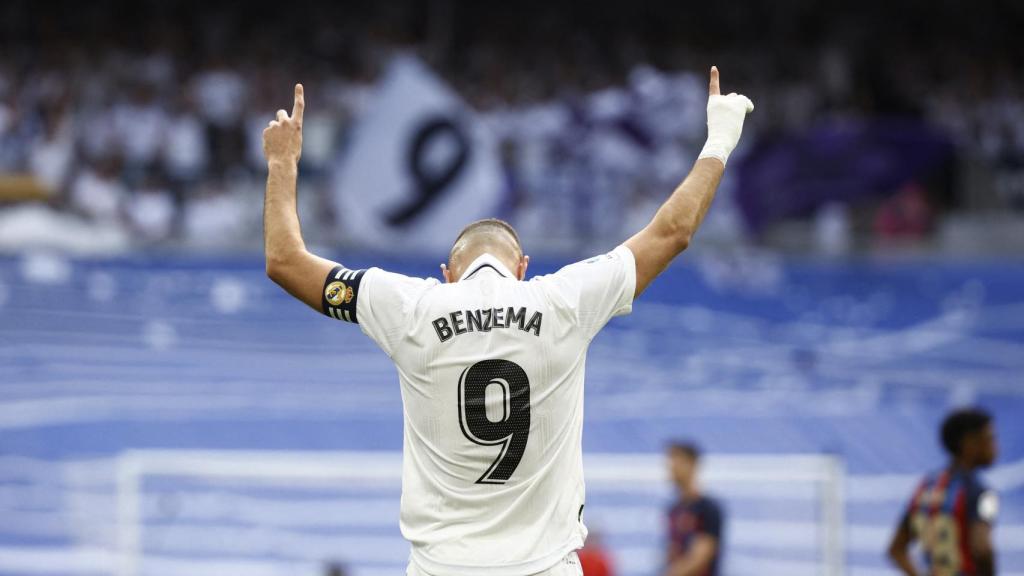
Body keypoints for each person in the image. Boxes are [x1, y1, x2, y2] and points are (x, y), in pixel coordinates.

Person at [262, 67, 753, 576]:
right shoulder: (564, 301)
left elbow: (286, 263)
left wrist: (282, 163)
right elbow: (672, 232)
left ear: (448, 273)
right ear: (522, 268)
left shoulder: (410, 307)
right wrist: (720, 139)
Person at [887, 408, 999, 576]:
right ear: (969, 443)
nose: (995, 447)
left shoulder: (926, 487)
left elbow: (896, 549)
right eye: (989, 439)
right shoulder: (983, 494)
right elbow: (982, 548)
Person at [664, 442, 724, 576]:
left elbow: (700, 558)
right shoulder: (673, 510)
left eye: (677, 461)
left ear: (692, 464)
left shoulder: (707, 509)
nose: (671, 467)